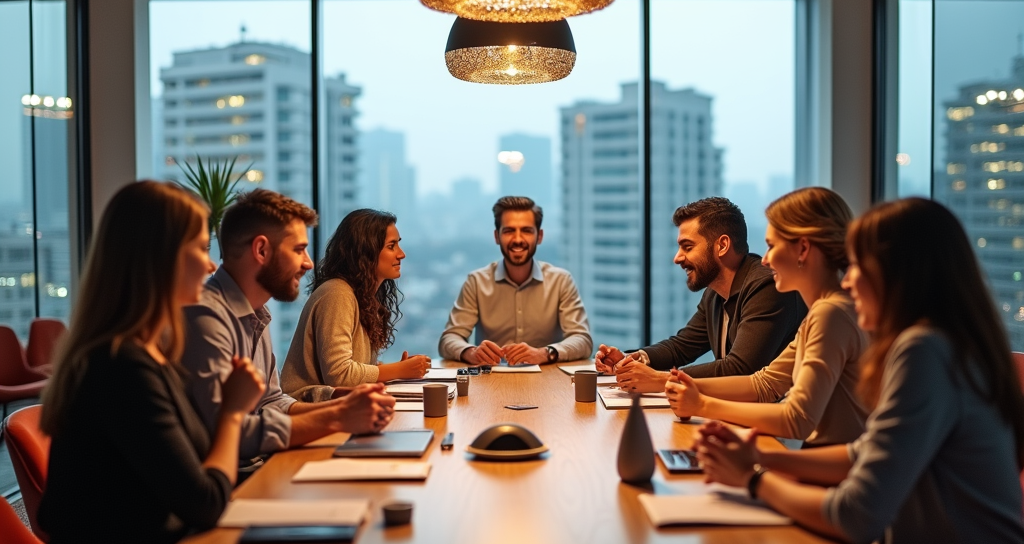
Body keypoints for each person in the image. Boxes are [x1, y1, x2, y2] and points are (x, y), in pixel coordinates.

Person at [590, 197, 1024, 544]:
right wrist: (766, 461)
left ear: (904, 274)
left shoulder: (922, 352)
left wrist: (755, 479)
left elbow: (855, 514)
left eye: (859, 265)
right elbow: (861, 451)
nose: (850, 277)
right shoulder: (940, 346)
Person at [35, 181, 400, 544]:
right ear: (157, 259)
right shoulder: (125, 369)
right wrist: (233, 411)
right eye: (197, 248)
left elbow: (213, 456)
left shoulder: (141, 357)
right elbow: (206, 498)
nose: (210, 264)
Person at [182, 189, 397, 462]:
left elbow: (271, 403)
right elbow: (230, 434)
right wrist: (338, 416)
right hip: (236, 479)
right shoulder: (207, 319)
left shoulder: (257, 312)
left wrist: (344, 405)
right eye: (298, 249)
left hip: (260, 463)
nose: (308, 263)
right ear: (261, 250)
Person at [664, 187, 867, 447]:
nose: (766, 260)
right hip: (818, 461)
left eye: (771, 246)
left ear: (803, 249)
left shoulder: (831, 313)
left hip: (832, 473)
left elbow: (797, 418)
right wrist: (681, 384)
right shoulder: (822, 310)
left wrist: (702, 404)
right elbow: (764, 383)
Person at [596, 197, 805, 393]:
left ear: (722, 246)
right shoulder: (715, 293)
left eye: (687, 247)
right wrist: (631, 360)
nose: (677, 258)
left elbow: (741, 368)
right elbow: (682, 347)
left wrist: (661, 379)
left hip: (775, 425)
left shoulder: (765, 286)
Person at [283, 208, 430, 398]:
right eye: (391, 246)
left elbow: (349, 371)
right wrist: (399, 370)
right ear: (366, 251)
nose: (401, 254)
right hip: (308, 410)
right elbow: (339, 374)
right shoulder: (337, 293)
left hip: (337, 406)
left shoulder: (363, 297)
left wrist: (397, 370)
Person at [438, 196, 592, 365]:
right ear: (497, 236)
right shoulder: (476, 282)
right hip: (491, 383)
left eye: (526, 230)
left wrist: (545, 353)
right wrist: (471, 352)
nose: (518, 239)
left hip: (547, 383)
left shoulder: (561, 281)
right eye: (509, 231)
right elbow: (449, 339)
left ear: (539, 236)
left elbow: (582, 340)